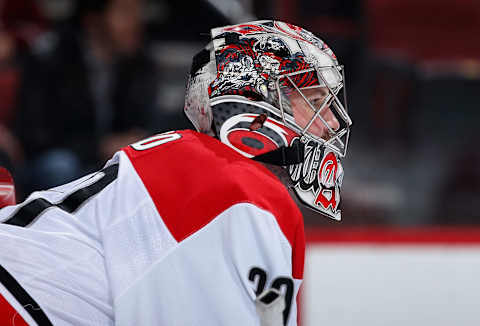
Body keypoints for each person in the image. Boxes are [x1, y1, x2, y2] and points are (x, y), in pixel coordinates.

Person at [0, 20, 352, 325]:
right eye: (315, 98)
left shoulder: (190, 160)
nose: (332, 122)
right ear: (257, 99)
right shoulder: (239, 189)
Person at [14, 0, 160, 194]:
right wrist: (98, 146)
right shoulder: (51, 57)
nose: (136, 22)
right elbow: (37, 135)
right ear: (93, 19)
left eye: (138, 12)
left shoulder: (140, 60)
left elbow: (146, 122)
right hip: (61, 158)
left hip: (113, 159)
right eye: (125, 13)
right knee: (59, 166)